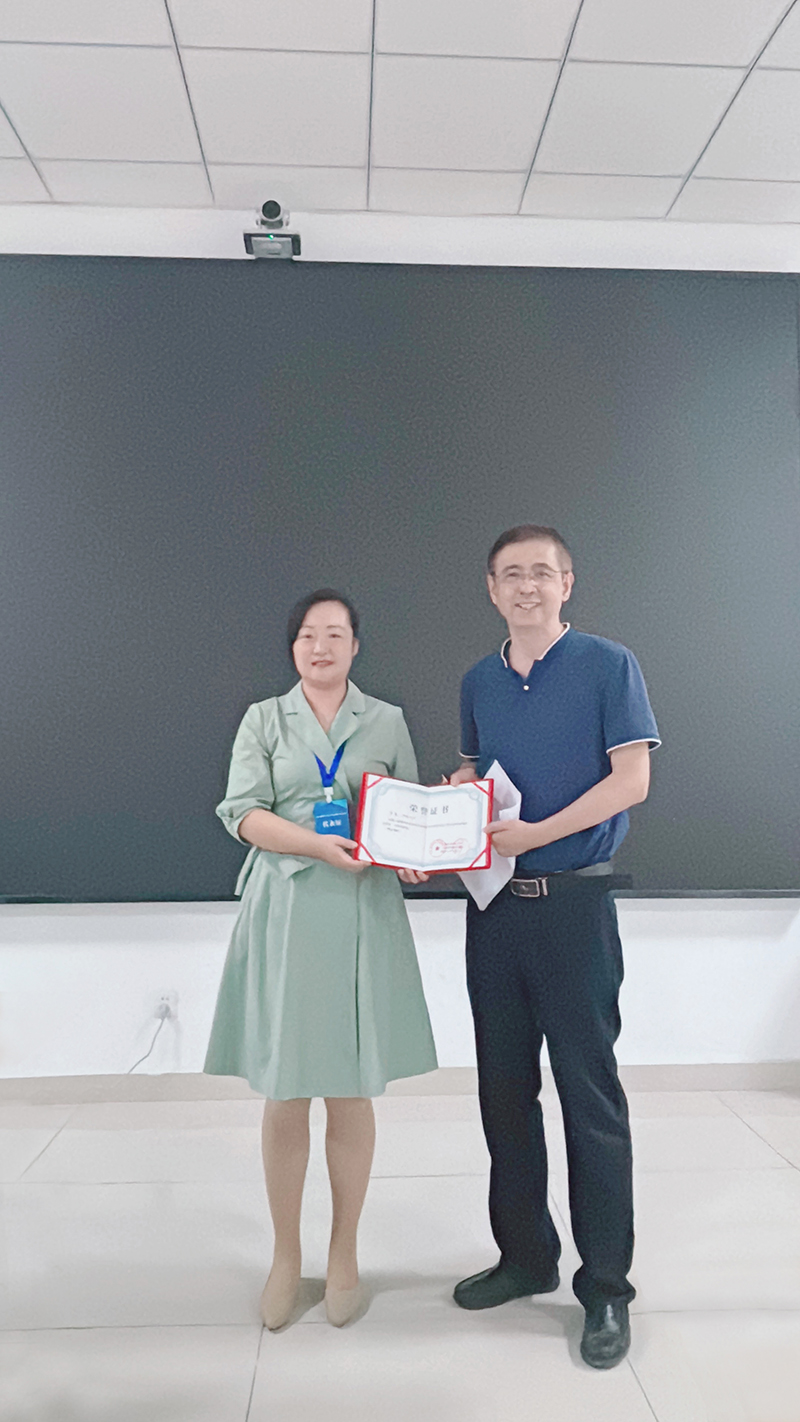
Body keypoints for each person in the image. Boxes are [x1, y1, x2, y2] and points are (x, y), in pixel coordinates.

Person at [450, 524, 660, 1369]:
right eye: (511, 574)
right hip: (494, 912)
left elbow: (632, 780)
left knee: (589, 1099)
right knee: (504, 1093)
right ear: (491, 589)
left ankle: (605, 1287)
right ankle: (525, 1256)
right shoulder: (478, 680)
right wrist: (446, 809)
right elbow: (476, 778)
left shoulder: (610, 665)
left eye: (542, 572)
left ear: (566, 583)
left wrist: (538, 832)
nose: (527, 586)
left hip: (575, 906)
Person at [204, 589, 436, 1330]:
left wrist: (417, 853)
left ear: (355, 646)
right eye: (309, 634)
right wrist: (316, 845)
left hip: (364, 911)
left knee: (351, 1086)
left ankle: (344, 1254)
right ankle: (284, 1256)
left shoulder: (387, 721)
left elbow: (407, 811)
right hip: (289, 910)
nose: (321, 646)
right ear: (293, 647)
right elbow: (243, 813)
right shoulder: (264, 719)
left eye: (335, 634)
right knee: (285, 1088)